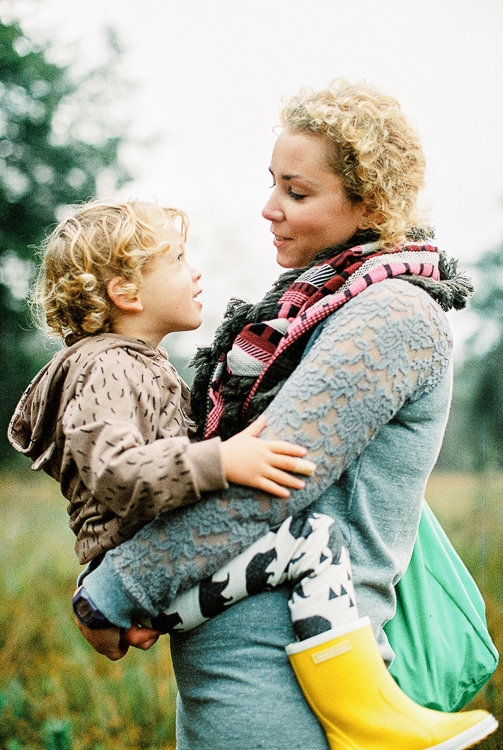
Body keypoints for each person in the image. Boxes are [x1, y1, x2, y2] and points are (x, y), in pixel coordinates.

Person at [19, 79, 498, 750]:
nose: (268, 209)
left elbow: (277, 477)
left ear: (369, 202)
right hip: (239, 655)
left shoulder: (388, 314)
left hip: (286, 674)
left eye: (296, 193)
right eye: (272, 184)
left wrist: (116, 590)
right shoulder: (308, 310)